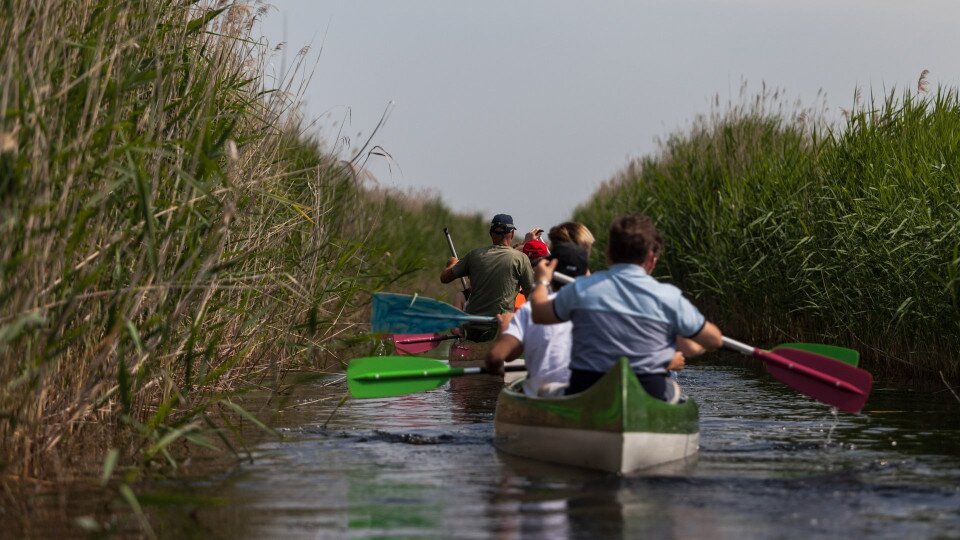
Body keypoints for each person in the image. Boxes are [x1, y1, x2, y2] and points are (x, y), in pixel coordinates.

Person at [529, 214, 723, 402]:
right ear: (651, 258)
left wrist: (541, 282)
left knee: (546, 390)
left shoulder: (580, 288)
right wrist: (692, 348)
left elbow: (538, 313)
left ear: (609, 254)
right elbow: (713, 339)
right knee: (675, 388)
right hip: (649, 395)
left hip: (587, 394)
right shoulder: (669, 297)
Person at [485, 243, 590, 396]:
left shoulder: (529, 309)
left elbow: (496, 357)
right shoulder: (597, 308)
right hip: (584, 394)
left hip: (543, 397)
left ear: (549, 272)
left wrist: (505, 329)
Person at [440, 214, 535, 341]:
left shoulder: (474, 255)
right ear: (512, 233)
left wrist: (451, 263)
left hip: (472, 327)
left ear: (491, 234)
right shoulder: (521, 258)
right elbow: (531, 297)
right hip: (501, 327)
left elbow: (444, 278)